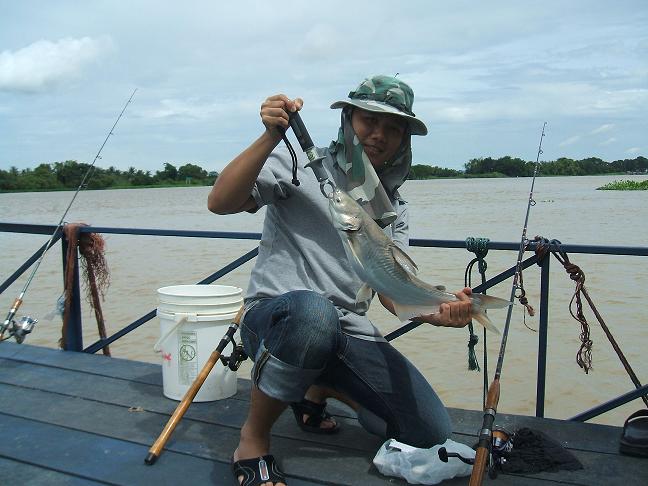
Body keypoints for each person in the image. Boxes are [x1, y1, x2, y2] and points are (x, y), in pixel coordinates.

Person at [208, 75, 473, 486]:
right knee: (313, 316)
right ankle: (253, 439)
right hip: (277, 318)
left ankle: (318, 388)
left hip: (346, 330)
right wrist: (269, 138)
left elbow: (391, 292)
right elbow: (220, 202)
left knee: (429, 431)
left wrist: (437, 311)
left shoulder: (394, 206)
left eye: (394, 127)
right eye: (369, 120)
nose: (379, 135)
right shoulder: (295, 161)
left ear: (404, 138)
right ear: (348, 118)